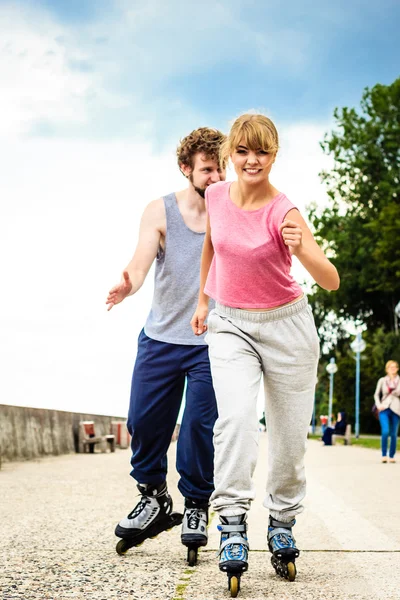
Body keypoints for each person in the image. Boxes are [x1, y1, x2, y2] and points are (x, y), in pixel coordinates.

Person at [190, 113, 340, 592]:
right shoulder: (215, 194)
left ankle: (281, 522)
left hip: (287, 327)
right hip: (231, 322)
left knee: (289, 439)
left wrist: (305, 251)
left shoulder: (285, 212)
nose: (252, 161)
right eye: (243, 152)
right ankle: (232, 521)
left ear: (274, 156)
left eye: (262, 152)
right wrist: (202, 301)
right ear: (230, 154)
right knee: (234, 420)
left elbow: (330, 279)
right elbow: (211, 245)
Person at [106, 127, 226, 563]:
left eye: (220, 168)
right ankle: (154, 497)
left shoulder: (230, 210)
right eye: (207, 169)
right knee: (142, 421)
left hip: (211, 342)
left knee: (198, 426)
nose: (215, 177)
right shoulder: (160, 211)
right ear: (186, 169)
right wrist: (128, 284)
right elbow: (140, 264)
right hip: (160, 338)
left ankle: (196, 504)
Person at [374, 360, 400, 463]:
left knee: (394, 433)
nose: (392, 369)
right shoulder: (382, 380)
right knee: (385, 431)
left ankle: (392, 455)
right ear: (387, 369)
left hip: (396, 409)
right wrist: (378, 405)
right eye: (390, 367)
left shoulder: (399, 380)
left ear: (397, 369)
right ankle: (384, 454)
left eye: (394, 367)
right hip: (384, 408)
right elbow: (376, 394)